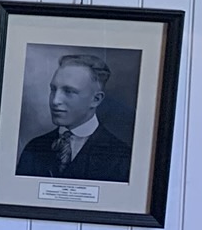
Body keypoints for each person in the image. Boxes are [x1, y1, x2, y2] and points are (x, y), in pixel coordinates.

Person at [16, 53, 132, 182]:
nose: (55, 101)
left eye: (69, 91)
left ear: (96, 99)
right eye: (53, 89)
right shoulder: (34, 148)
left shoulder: (122, 157)